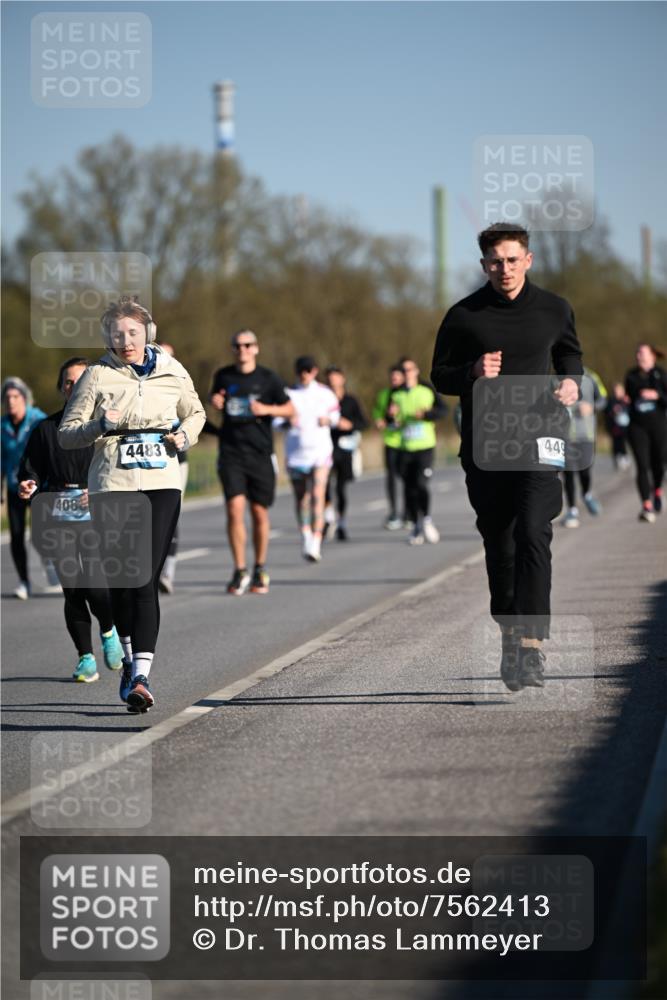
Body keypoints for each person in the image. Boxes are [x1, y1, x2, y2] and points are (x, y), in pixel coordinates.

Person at [431, 222, 582, 691]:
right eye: (496, 261)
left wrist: (572, 382)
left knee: (535, 532)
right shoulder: (464, 315)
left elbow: (570, 356)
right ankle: (509, 637)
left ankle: (532, 647)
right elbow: (440, 375)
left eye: (513, 259)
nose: (505, 269)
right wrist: (472, 371)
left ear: (529, 260)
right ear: (484, 265)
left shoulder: (555, 309)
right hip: (487, 446)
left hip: (541, 437)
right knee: (501, 545)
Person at [59, 297, 205, 712]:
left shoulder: (172, 370)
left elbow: (195, 413)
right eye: (117, 334)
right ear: (108, 337)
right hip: (112, 485)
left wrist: (183, 437)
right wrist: (100, 425)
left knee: (143, 577)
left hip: (161, 483)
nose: (126, 341)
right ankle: (127, 659)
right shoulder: (96, 375)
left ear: (148, 333)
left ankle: (140, 675)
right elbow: (67, 435)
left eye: (133, 333)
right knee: (123, 579)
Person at [17, 358, 123, 682]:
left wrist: (101, 490)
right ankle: (85, 658)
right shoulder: (46, 429)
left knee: (94, 582)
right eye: (68, 382)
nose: (73, 387)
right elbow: (30, 469)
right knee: (72, 586)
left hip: (95, 512)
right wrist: (28, 484)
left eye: (80, 381)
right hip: (58, 511)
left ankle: (108, 630)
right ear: (62, 388)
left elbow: (119, 468)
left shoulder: (106, 427)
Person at [208, 329, 294, 595]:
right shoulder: (224, 375)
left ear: (256, 348)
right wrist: (215, 401)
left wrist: (267, 409)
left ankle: (260, 567)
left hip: (260, 453)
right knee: (234, 509)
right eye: (237, 345)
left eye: (247, 345)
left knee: (259, 512)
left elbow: (290, 409)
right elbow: (215, 399)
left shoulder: (268, 378)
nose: (242, 350)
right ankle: (239, 569)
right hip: (232, 452)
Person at [283, 356, 340, 562]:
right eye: (301, 370)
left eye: (308, 370)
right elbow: (275, 420)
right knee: (301, 499)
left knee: (318, 494)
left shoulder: (325, 394)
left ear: (315, 371)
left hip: (320, 452)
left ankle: (316, 541)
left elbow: (336, 417)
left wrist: (328, 420)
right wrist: (286, 421)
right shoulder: (288, 394)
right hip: (296, 454)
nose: (304, 374)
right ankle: (306, 534)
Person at [389, 358, 446, 545]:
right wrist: (390, 418)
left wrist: (426, 415)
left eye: (409, 369)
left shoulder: (426, 390)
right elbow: (388, 421)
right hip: (405, 448)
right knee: (409, 488)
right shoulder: (396, 395)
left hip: (425, 446)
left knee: (421, 484)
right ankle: (415, 524)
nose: (406, 373)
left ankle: (427, 519)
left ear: (416, 371)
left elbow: (442, 410)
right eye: (403, 370)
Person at [1, 377, 46, 599]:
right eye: (7, 397)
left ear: (24, 398)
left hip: (37, 485)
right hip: (13, 486)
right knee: (17, 536)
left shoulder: (39, 421)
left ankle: (52, 566)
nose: (11, 401)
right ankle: (23, 581)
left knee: (42, 533)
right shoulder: (3, 426)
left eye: (15, 396)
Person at [156, 343, 189, 594]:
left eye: (170, 353)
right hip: (149, 458)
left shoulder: (179, 379)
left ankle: (168, 571)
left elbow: (195, 415)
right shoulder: (143, 380)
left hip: (177, 458)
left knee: (171, 512)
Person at [323, 365, 368, 540]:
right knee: (324, 484)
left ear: (342, 379)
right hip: (326, 447)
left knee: (341, 487)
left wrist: (350, 425)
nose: (332, 382)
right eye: (329, 380)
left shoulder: (351, 401)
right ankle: (328, 517)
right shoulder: (322, 400)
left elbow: (364, 423)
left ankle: (341, 522)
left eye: (335, 379)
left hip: (345, 448)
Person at [624, 343, 667, 523]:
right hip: (637, 427)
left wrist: (657, 395)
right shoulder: (631, 375)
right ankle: (646, 505)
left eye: (643, 353)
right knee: (642, 465)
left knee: (659, 464)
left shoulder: (661, 374)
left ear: (652, 356)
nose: (639, 356)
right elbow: (630, 394)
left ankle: (657, 490)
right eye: (637, 353)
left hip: (658, 425)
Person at [560, 366, 607, 527]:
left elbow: (603, 399)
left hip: (586, 433)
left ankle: (587, 494)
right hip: (564, 434)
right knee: (569, 472)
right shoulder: (554, 378)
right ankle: (572, 510)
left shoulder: (591, 376)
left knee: (585, 470)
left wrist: (591, 407)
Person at [372, 365, 406, 530]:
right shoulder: (384, 394)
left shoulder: (407, 394)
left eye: (397, 377)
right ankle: (393, 512)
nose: (394, 380)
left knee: (407, 479)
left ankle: (408, 512)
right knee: (391, 478)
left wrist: (400, 415)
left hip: (406, 442)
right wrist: (379, 419)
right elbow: (378, 411)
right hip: (391, 440)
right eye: (392, 378)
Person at [604, 382, 631, 471]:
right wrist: (613, 411)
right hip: (615, 426)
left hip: (626, 426)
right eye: (616, 391)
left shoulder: (627, 399)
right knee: (616, 443)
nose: (617, 393)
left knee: (624, 442)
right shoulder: (611, 401)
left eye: (619, 390)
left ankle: (625, 457)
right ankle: (618, 458)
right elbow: (607, 412)